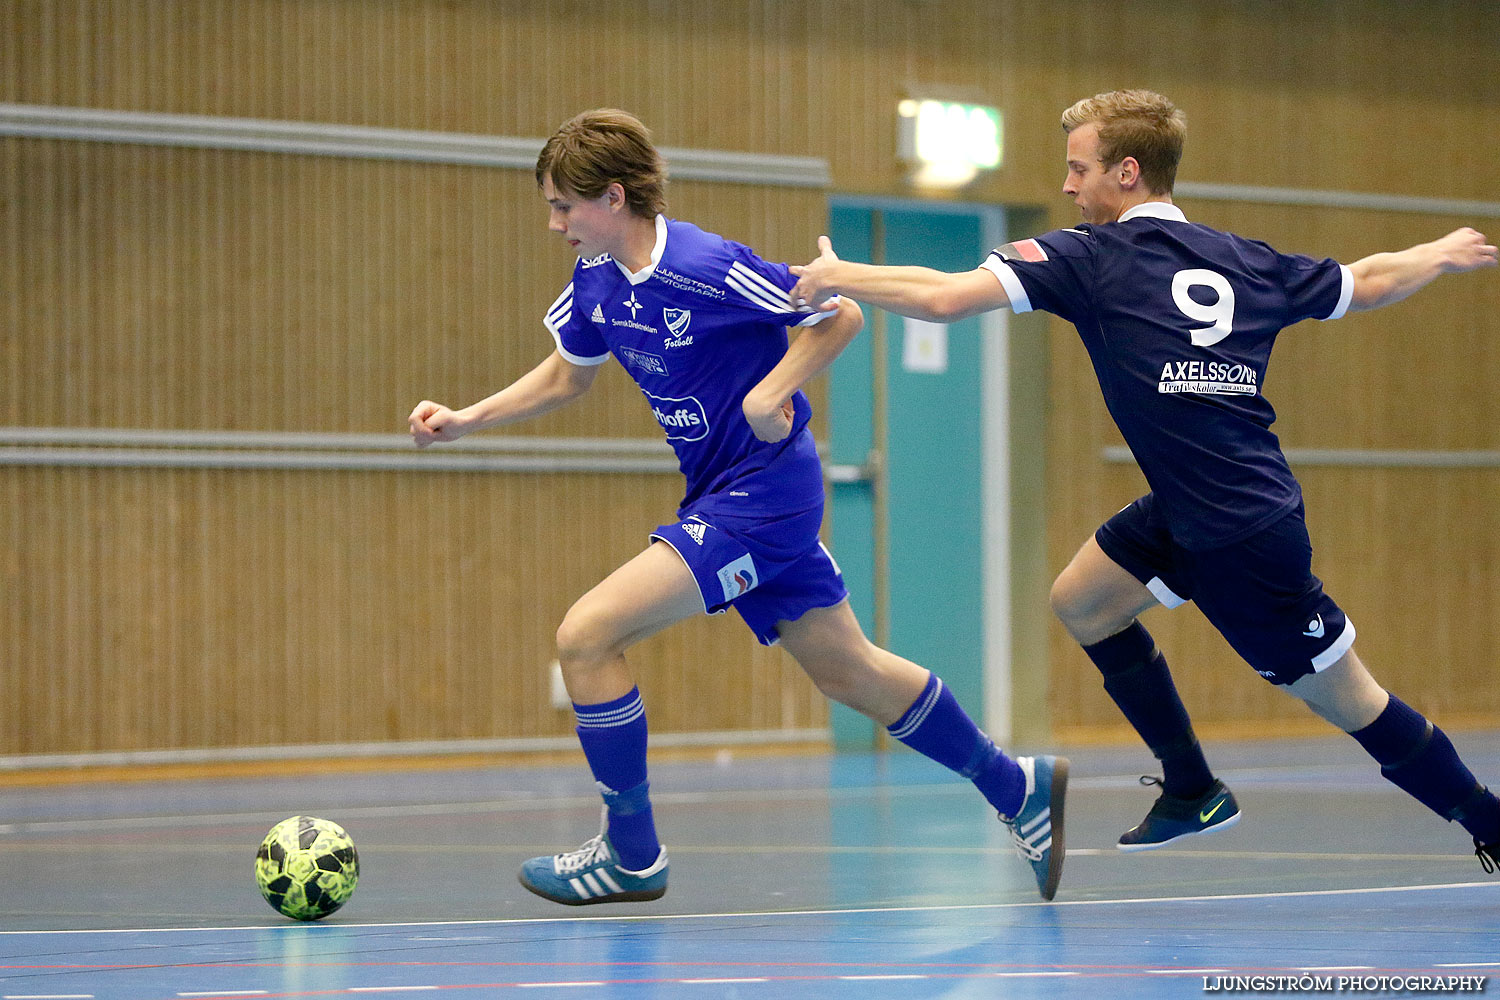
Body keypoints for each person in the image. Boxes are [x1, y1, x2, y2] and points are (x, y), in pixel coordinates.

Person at [788, 89, 1499, 873]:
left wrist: (839, 272)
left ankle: (1490, 821)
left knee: (1350, 701)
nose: (1066, 188)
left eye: (1077, 168)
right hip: (1189, 508)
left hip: (1244, 533)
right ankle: (1192, 786)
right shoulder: (1247, 260)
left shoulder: (1090, 260)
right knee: (1083, 601)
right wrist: (1435, 253)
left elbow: (947, 297)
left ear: (1126, 173)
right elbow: (1365, 281)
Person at [408, 108, 1069, 905]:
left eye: (561, 206)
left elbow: (839, 314)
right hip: (722, 494)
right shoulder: (595, 283)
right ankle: (1016, 786)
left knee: (586, 637)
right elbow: (565, 375)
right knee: (851, 673)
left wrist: (770, 392)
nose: (553, 224)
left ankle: (632, 854)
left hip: (763, 497)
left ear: (612, 198)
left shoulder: (706, 265)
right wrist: (466, 419)